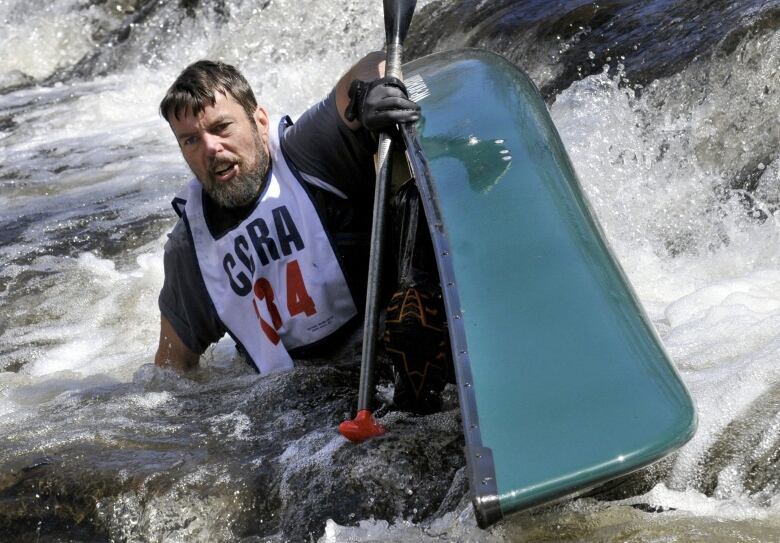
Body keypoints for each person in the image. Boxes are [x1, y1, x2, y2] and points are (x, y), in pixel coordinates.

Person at [155, 53, 452, 412]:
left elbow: (372, 65)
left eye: (221, 128)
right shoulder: (191, 248)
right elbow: (172, 372)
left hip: (393, 348)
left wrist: (367, 93)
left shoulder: (307, 152)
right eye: (190, 141)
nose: (210, 149)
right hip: (298, 407)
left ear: (260, 122)